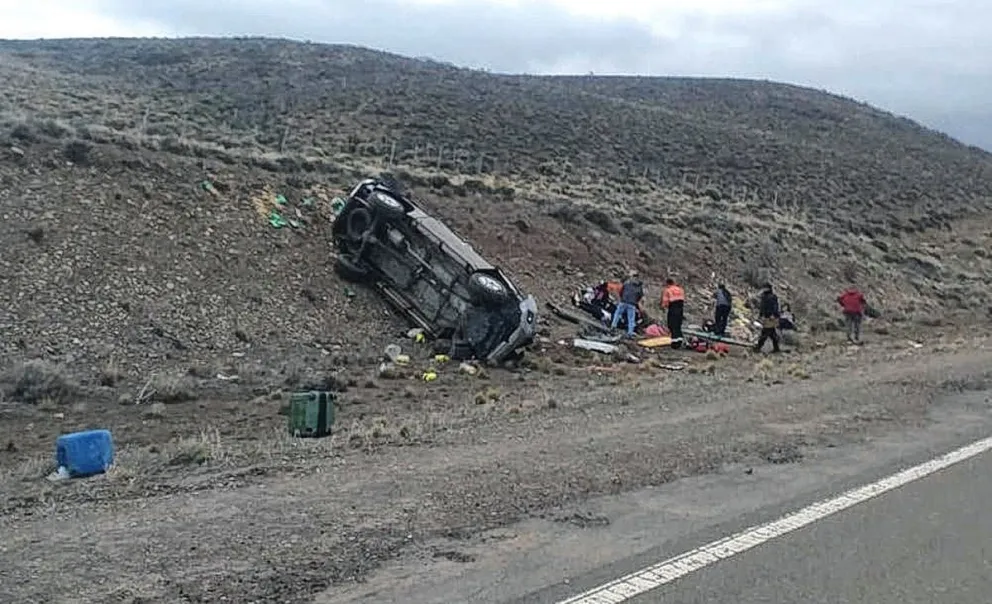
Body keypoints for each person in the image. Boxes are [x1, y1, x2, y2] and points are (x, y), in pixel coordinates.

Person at [611, 271, 643, 338]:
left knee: (617, 314)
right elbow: (640, 296)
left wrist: (621, 298)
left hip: (623, 301)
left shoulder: (627, 284)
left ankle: (613, 326)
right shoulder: (639, 287)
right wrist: (635, 301)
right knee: (631, 319)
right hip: (632, 304)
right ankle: (630, 332)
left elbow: (621, 292)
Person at [753, 282, 781, 353]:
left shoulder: (772, 297)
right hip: (768, 316)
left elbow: (774, 306)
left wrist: (773, 314)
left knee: (765, 332)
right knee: (771, 333)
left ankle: (758, 347)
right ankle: (776, 348)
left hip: (770, 317)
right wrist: (760, 315)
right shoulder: (765, 296)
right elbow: (763, 307)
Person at [660, 278, 686, 347]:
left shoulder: (668, 290)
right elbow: (683, 298)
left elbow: (665, 301)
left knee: (672, 324)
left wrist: (663, 307)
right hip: (680, 308)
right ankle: (680, 339)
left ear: (667, 284)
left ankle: (675, 342)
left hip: (673, 308)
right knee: (678, 324)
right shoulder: (680, 289)